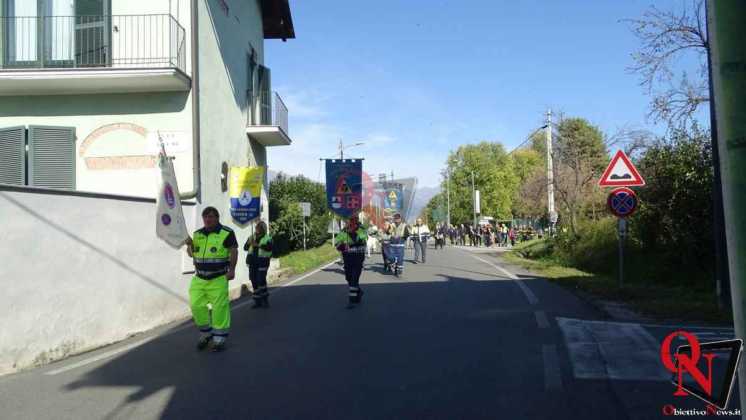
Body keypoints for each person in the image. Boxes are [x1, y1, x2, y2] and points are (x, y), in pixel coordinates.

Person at [185, 207, 238, 352]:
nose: (208, 219)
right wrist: (189, 243)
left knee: (219, 309)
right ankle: (206, 333)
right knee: (196, 305)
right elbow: (191, 254)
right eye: (205, 217)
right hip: (199, 278)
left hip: (218, 278)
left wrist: (232, 270)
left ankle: (219, 339)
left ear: (217, 218)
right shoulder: (197, 235)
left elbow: (234, 251)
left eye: (211, 216)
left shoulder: (227, 233)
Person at [336, 213, 368, 308]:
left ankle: (352, 301)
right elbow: (337, 244)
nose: (352, 221)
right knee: (349, 278)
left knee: (354, 279)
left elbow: (363, 239)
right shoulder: (344, 231)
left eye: (354, 219)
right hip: (347, 259)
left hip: (358, 258)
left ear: (357, 220)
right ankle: (359, 291)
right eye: (351, 220)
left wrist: (355, 232)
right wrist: (342, 246)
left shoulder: (361, 229)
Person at [244, 220, 273, 309]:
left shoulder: (268, 238)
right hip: (252, 262)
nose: (257, 229)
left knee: (261, 280)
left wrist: (258, 245)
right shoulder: (251, 237)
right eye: (257, 227)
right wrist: (249, 243)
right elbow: (245, 248)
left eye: (260, 227)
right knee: (254, 280)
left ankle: (265, 299)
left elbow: (269, 248)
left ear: (263, 229)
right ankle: (257, 301)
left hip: (262, 262)